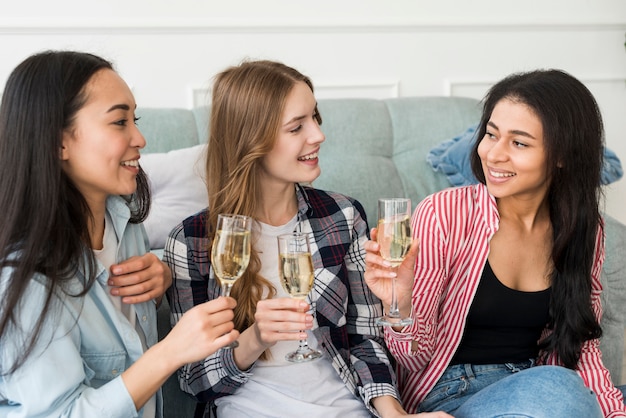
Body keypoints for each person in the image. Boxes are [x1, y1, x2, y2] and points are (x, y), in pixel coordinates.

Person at [163, 60, 451, 418]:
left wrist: (394, 414)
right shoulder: (191, 242)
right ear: (250, 140)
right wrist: (254, 340)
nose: (318, 135)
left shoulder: (342, 217)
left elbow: (365, 341)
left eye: (315, 118)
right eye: (297, 126)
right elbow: (193, 380)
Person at [363, 69, 626, 417]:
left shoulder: (583, 227)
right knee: (558, 389)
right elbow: (413, 359)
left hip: (537, 386)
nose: (494, 154)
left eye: (519, 142)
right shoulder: (445, 212)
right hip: (451, 393)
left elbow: (582, 346)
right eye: (491, 134)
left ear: (562, 155)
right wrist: (401, 304)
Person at [0, 50, 239, 418]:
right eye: (119, 123)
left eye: (135, 119)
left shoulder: (124, 225)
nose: (140, 138)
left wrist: (162, 277)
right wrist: (171, 350)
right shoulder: (27, 277)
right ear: (57, 141)